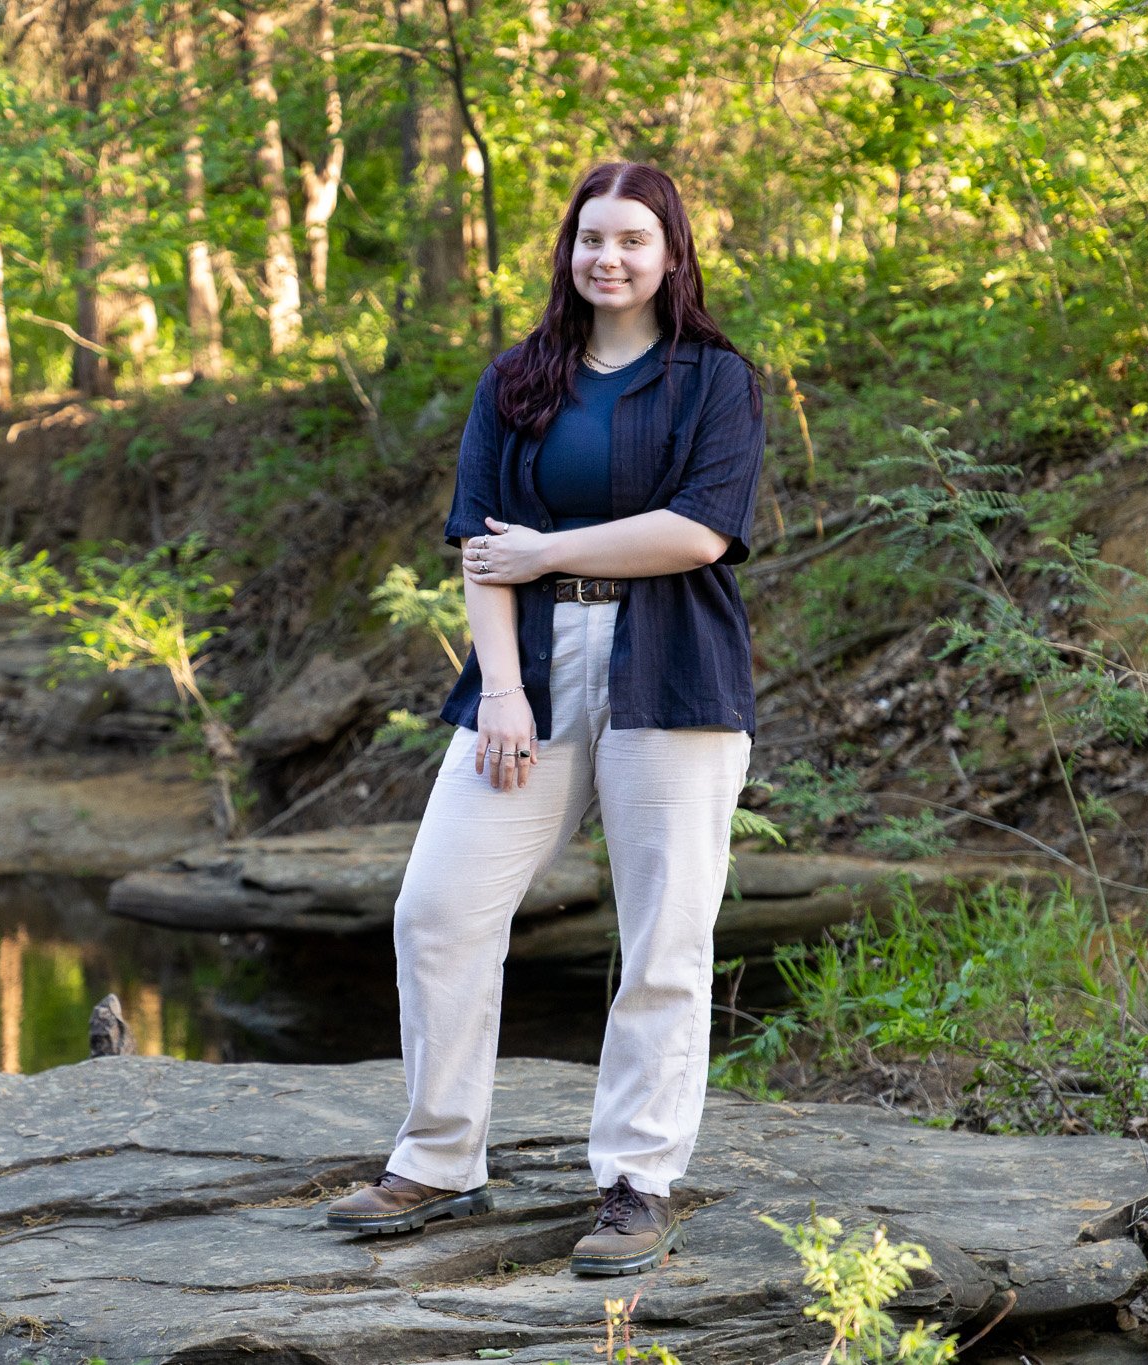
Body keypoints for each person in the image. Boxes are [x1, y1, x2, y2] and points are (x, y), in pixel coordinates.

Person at [324, 161, 765, 1276]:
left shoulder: (714, 379)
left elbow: (695, 533)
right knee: (437, 908)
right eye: (586, 238)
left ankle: (633, 1183)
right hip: (527, 666)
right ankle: (437, 1159)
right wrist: (505, 690)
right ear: (566, 252)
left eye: (629, 239)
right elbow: (480, 545)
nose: (604, 257)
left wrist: (547, 549)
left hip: (670, 666)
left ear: (670, 254)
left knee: (663, 935)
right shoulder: (518, 378)